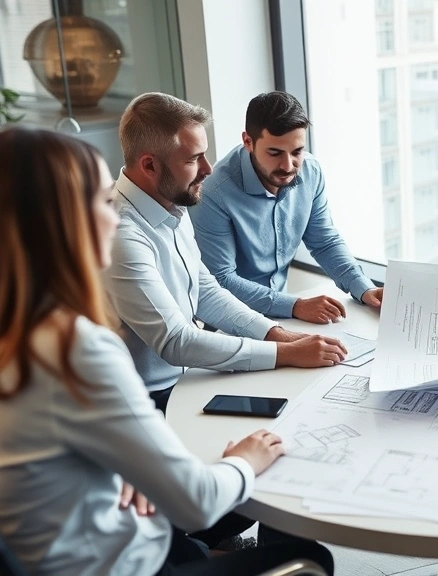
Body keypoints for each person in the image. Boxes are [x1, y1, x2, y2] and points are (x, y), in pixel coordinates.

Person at [0, 126, 334, 576]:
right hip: (126, 563)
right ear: (61, 223)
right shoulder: (74, 349)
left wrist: (276, 334)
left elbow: (206, 290)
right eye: (101, 201)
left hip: (79, 543)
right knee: (308, 552)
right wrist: (244, 460)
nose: (113, 216)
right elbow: (195, 502)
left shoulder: (21, 334)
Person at [103, 92, 347, 413]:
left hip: (189, 377)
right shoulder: (121, 234)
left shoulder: (172, 204)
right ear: (149, 165)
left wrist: (278, 335)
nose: (208, 168)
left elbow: (207, 292)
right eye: (193, 160)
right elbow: (176, 341)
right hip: (147, 399)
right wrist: (284, 353)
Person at [191, 91, 382, 323]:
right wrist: (295, 306)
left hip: (284, 317)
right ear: (248, 142)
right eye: (275, 153)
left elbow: (324, 242)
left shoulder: (310, 171)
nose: (288, 165)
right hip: (231, 323)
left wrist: (364, 289)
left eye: (297, 151)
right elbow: (221, 280)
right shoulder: (213, 193)